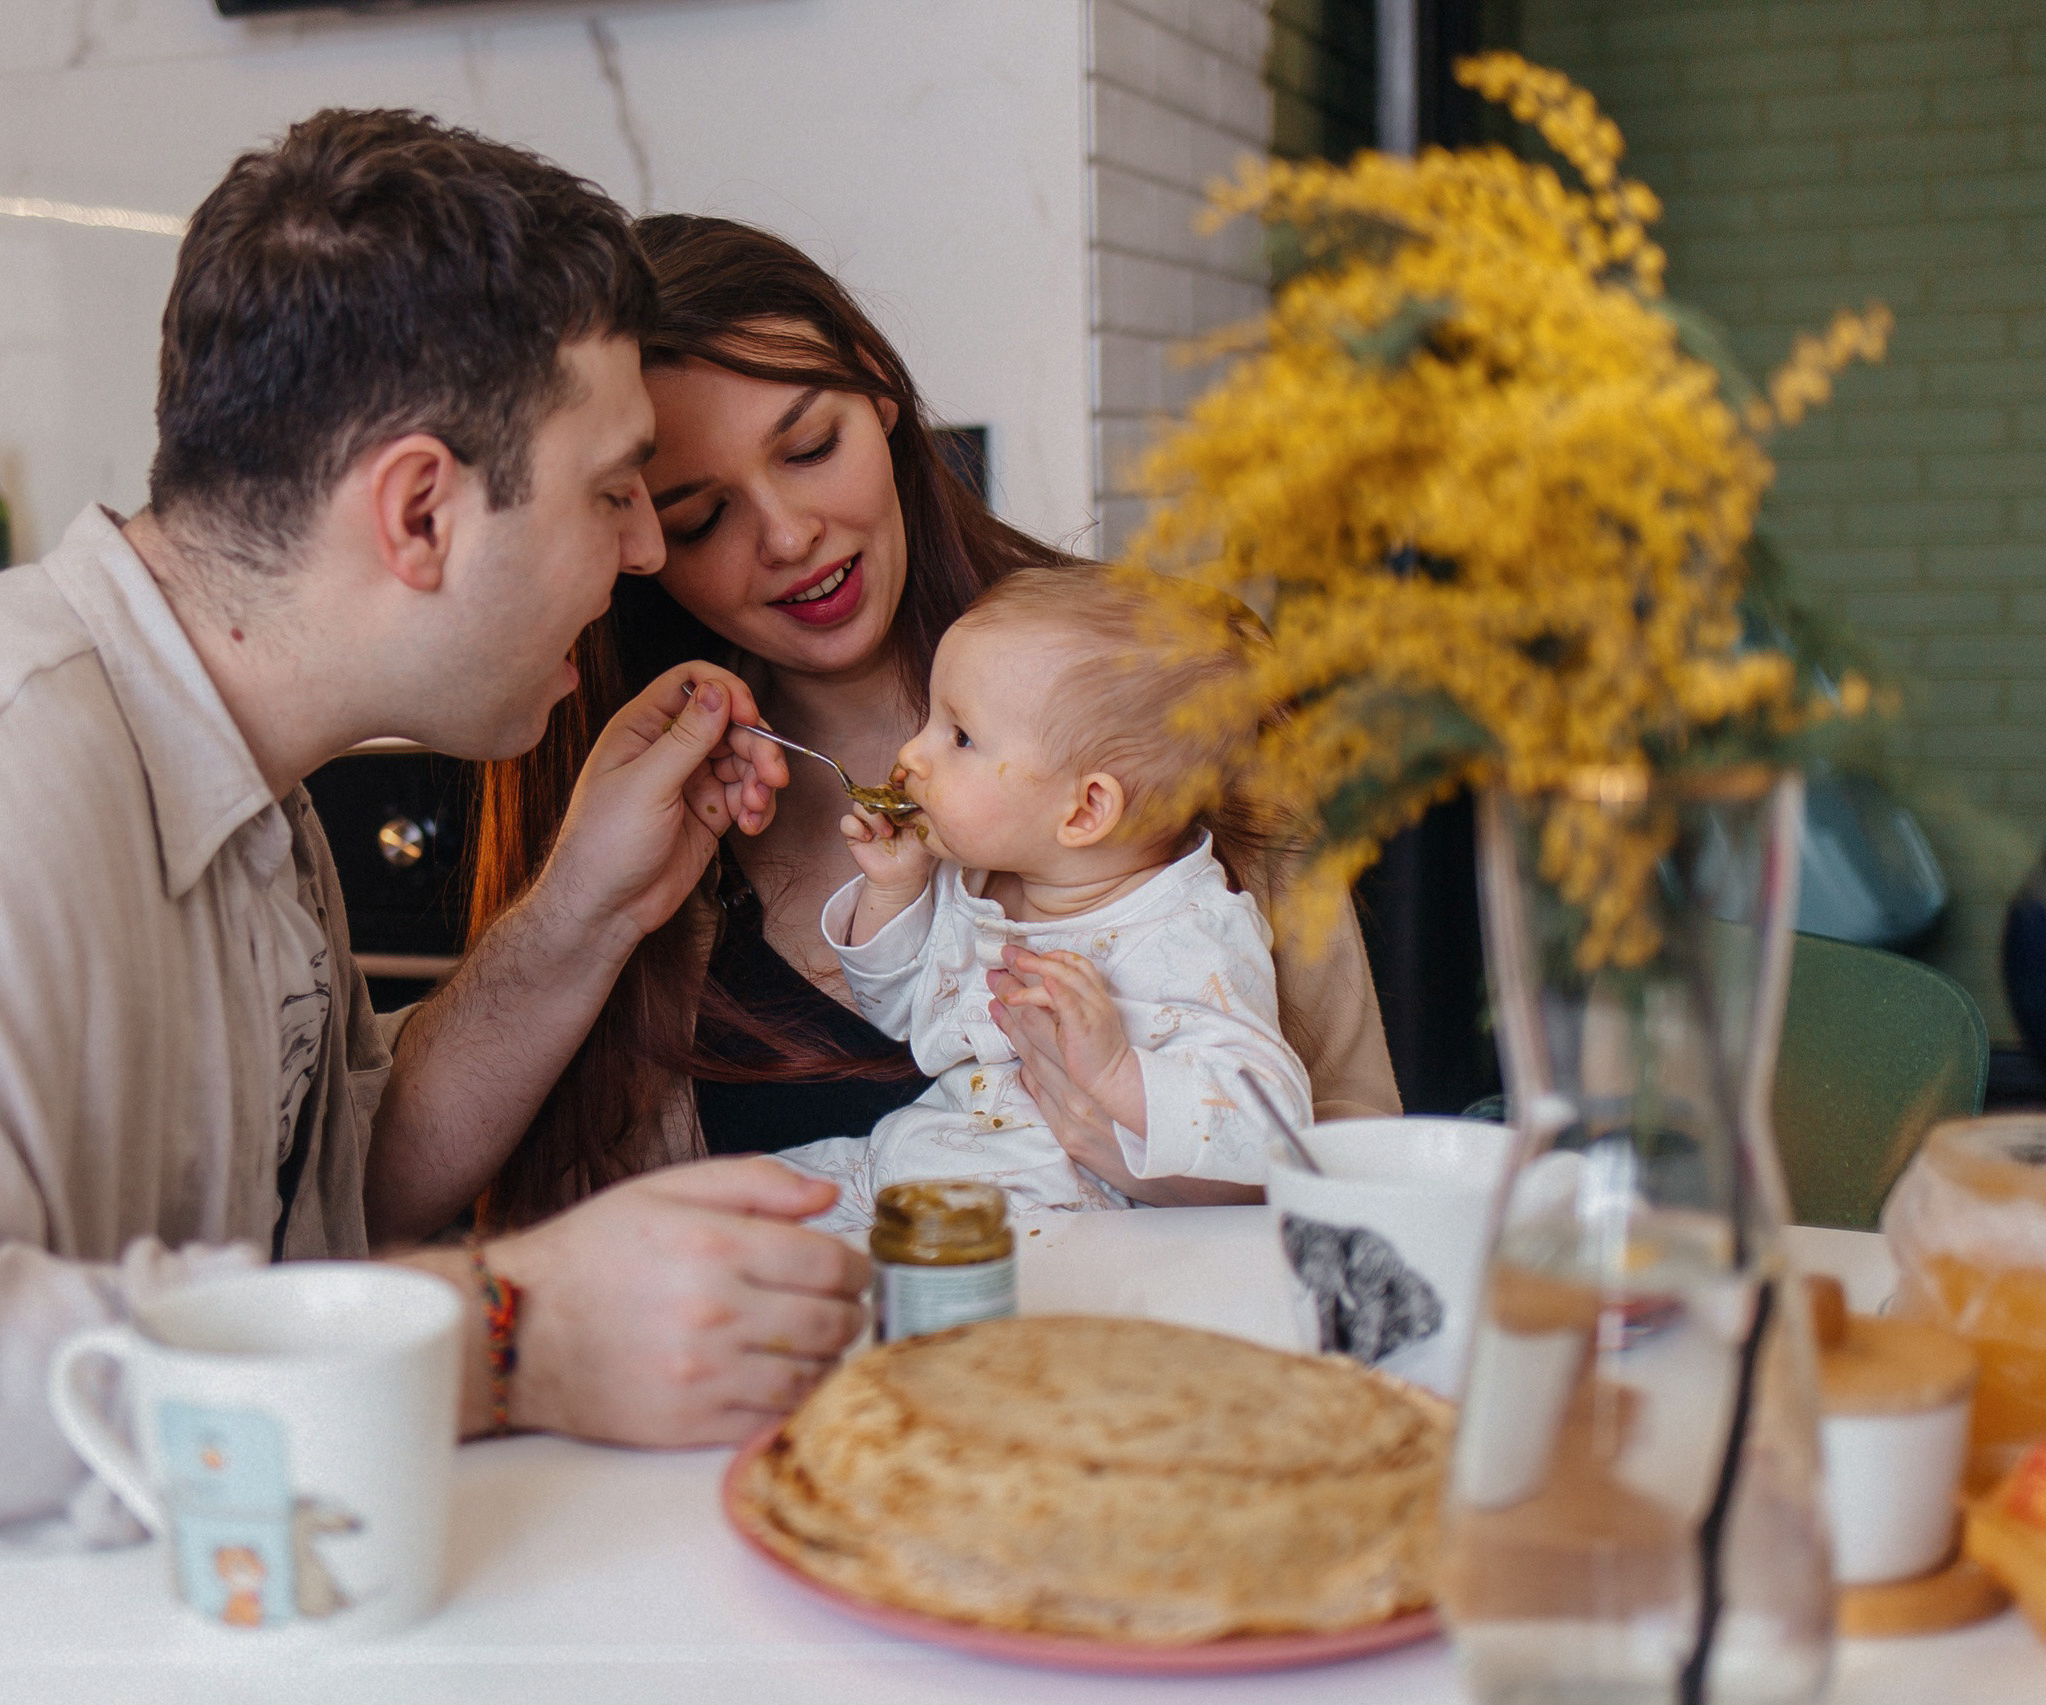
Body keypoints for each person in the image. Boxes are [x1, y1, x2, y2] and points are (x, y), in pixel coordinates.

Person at [0, 112, 866, 1705]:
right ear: (421, 515)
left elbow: (349, 1194)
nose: (647, 549)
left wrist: (577, 917)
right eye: (614, 494)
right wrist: (512, 1332)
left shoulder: (230, 755)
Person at [420, 215, 1400, 1230]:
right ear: (635, 539)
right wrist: (583, 906)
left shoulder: (1170, 694)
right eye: (699, 518)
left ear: (880, 396)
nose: (790, 535)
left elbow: (1359, 1140)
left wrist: (1165, 1146)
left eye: (808, 448)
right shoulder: (631, 799)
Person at [778, 567, 1313, 1226]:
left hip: (1047, 1223)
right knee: (720, 1206)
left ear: (1085, 810)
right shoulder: (977, 880)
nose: (912, 753)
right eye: (930, 719)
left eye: (961, 737)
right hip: (901, 1168)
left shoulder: (1191, 934)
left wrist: (1120, 1072)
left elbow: (1276, 1129)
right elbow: (902, 1015)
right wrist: (894, 888)